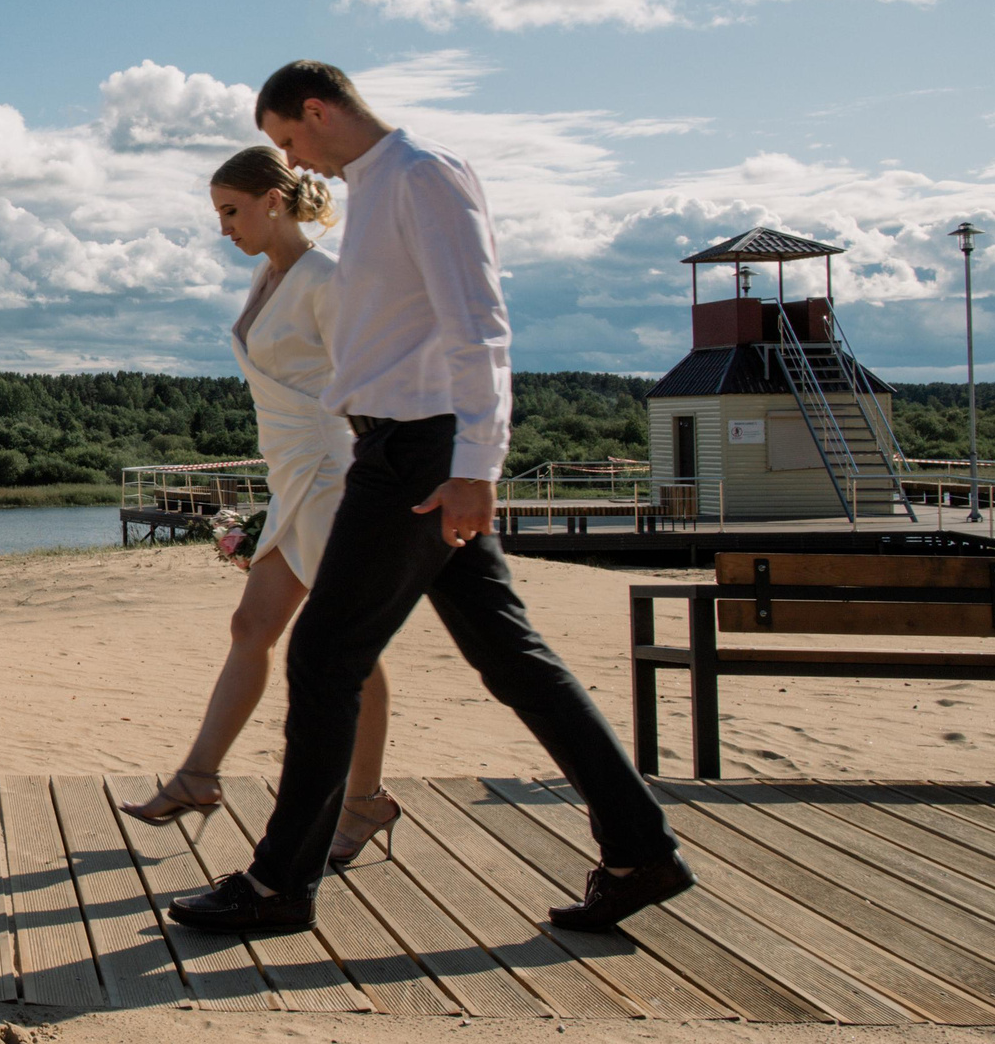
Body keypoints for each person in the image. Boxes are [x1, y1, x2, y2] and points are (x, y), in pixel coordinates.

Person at [171, 61, 693, 937]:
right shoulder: (377, 190)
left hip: (419, 455)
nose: (296, 162)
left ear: (318, 108)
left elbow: (480, 325)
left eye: (291, 140)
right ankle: (641, 849)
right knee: (513, 659)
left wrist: (477, 464)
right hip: (398, 444)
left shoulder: (423, 176)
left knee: (325, 657)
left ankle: (279, 883)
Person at [119, 146, 400, 868]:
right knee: (252, 624)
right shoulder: (267, 275)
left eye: (231, 210)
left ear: (274, 199)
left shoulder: (326, 281)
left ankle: (364, 798)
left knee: (350, 652)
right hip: (292, 477)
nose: (224, 228)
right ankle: (200, 775)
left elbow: (374, 378)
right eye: (218, 213)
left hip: (333, 477)